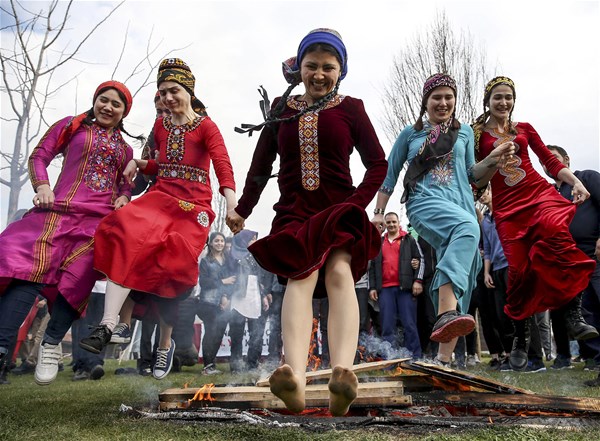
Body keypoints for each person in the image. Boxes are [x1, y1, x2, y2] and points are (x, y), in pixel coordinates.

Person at [227, 28, 387, 415]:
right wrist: (244, 209)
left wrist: (356, 204)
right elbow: (261, 166)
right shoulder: (282, 111)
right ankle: (295, 378)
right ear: (299, 68)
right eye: (311, 65)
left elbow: (378, 164)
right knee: (301, 276)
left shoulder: (352, 108)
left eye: (328, 67)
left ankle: (342, 374)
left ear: (341, 70)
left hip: (338, 208)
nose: (319, 74)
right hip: (295, 212)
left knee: (338, 272)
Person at [80, 58, 237, 381]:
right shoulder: (161, 126)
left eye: (174, 91)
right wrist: (140, 163)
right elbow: (162, 166)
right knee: (121, 225)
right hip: (161, 198)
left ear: (189, 92)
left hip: (194, 205)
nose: (167, 98)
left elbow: (222, 165)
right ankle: (110, 324)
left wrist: (232, 204)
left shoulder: (207, 126)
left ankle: (166, 346)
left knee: (174, 260)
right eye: (162, 91)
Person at [372, 73, 515, 367]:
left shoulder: (463, 134)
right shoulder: (410, 134)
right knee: (466, 229)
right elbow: (390, 176)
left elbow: (472, 175)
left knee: (468, 268)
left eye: (449, 97)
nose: (443, 102)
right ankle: (445, 316)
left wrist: (493, 158)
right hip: (424, 203)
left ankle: (443, 358)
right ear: (425, 101)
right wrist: (377, 211)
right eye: (436, 97)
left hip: (460, 203)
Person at [0, 81, 136, 385]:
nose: (108, 107)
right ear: (95, 100)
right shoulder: (72, 126)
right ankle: (0, 351)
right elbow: (39, 156)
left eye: (116, 104)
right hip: (57, 213)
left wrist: (124, 198)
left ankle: (51, 344)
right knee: (27, 275)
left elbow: (126, 186)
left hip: (96, 225)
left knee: (78, 281)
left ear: (124, 112)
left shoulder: (126, 149)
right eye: (104, 100)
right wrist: (43, 185)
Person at [472, 76, 597, 370]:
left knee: (558, 234)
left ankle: (573, 314)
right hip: (508, 209)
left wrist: (575, 181)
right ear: (488, 102)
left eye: (508, 97)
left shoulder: (525, 129)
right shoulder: (476, 135)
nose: (504, 102)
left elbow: (550, 163)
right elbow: (476, 180)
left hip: (537, 194)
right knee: (518, 270)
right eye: (497, 97)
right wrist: (492, 158)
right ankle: (520, 335)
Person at [543, 146, 600, 380]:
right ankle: (596, 361)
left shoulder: (586, 177)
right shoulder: (551, 194)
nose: (549, 165)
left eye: (553, 159)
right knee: (586, 313)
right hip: (570, 264)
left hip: (594, 255)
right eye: (544, 162)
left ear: (566, 160)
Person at [369, 212, 423, 359]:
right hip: (385, 289)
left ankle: (415, 358)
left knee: (409, 324)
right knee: (387, 326)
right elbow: (373, 266)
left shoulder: (409, 239)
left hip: (405, 288)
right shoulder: (379, 242)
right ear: (385, 224)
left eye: (394, 222)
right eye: (389, 222)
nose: (391, 224)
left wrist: (418, 281)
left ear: (398, 222)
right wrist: (372, 287)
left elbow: (420, 259)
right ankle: (390, 360)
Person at [228, 229, 270, 373]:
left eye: (255, 238)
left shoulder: (257, 256)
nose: (254, 241)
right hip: (239, 295)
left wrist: (263, 295)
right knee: (237, 333)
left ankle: (253, 363)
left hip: (254, 294)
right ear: (244, 240)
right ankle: (236, 365)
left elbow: (260, 279)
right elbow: (229, 276)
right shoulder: (233, 256)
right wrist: (226, 296)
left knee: (256, 332)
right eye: (252, 238)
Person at [197, 231, 234, 375]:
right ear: (211, 243)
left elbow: (233, 281)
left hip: (224, 304)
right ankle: (207, 366)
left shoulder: (227, 261)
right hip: (208, 303)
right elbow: (204, 282)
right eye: (216, 241)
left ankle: (212, 364)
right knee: (210, 333)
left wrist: (226, 297)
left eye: (222, 241)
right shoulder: (206, 262)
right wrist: (222, 282)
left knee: (219, 334)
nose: (220, 243)